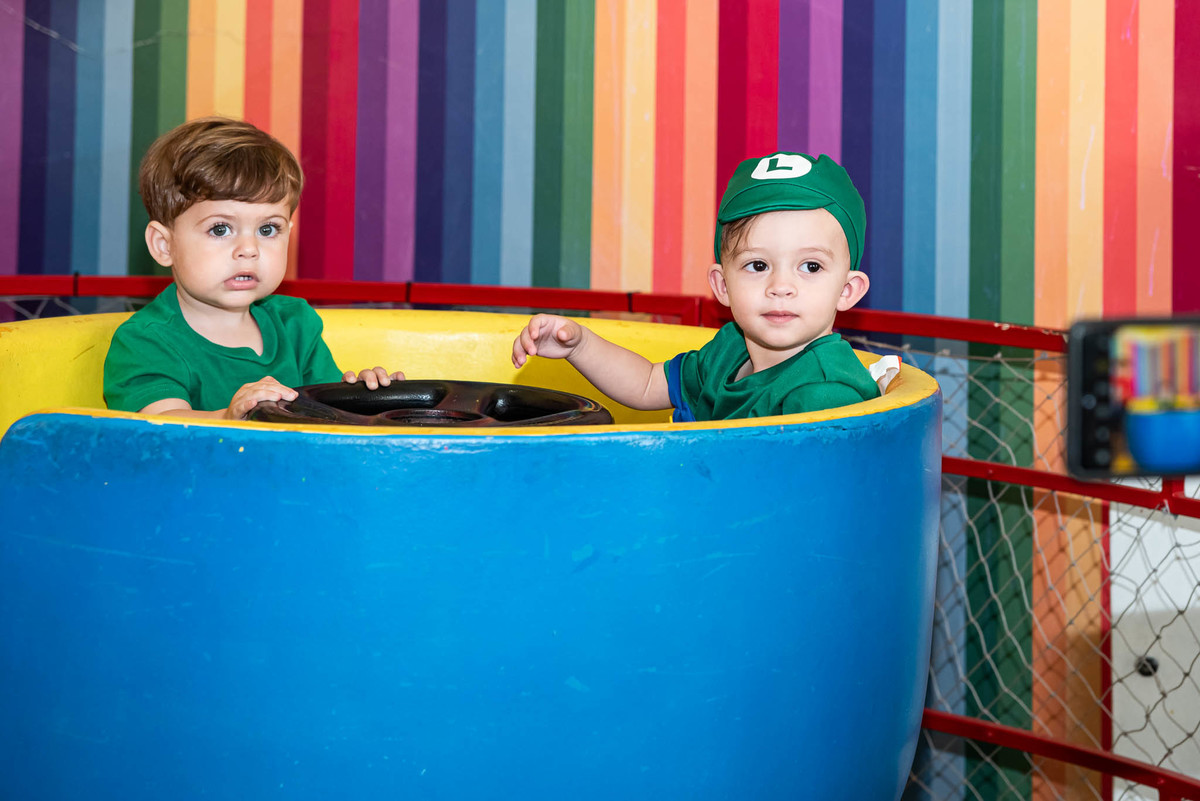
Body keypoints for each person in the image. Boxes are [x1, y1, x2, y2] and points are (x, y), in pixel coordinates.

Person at [511, 151, 880, 421]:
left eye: (810, 266)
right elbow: (646, 384)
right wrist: (580, 346)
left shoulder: (824, 392)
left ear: (847, 290)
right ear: (722, 285)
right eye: (758, 265)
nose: (780, 286)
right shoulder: (730, 348)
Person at [104, 117, 403, 420]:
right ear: (164, 245)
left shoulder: (295, 324)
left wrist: (363, 399)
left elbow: (327, 416)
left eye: (268, 229)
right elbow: (161, 425)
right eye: (220, 229)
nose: (249, 249)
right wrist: (228, 417)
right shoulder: (146, 341)